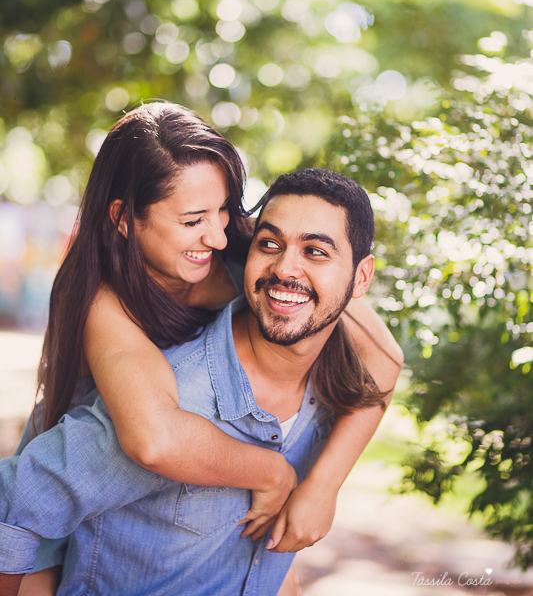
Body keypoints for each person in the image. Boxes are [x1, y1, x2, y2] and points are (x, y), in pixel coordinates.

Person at [5, 103, 402, 596]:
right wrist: (272, 472)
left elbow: (383, 358)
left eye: (224, 209)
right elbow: (153, 437)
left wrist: (323, 485)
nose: (216, 234)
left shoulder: (253, 250)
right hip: (77, 487)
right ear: (124, 219)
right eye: (194, 219)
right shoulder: (104, 303)